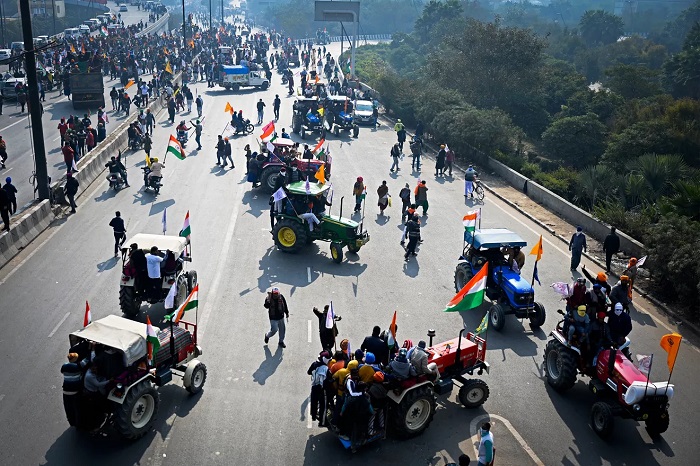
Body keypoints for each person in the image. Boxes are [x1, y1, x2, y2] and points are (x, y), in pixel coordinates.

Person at [308, 351, 331, 427]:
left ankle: (313, 415)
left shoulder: (314, 364)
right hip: (322, 389)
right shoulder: (326, 368)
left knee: (314, 401)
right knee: (323, 406)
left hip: (314, 386)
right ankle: (322, 422)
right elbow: (329, 379)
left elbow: (309, 372)